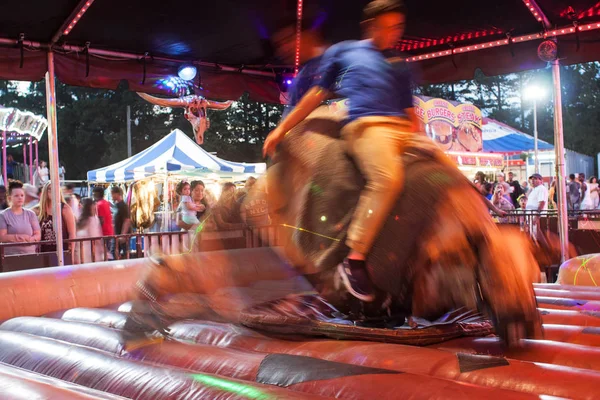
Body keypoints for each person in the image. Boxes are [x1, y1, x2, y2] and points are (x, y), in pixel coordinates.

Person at [263, 0, 426, 302]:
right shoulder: (345, 52)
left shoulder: (400, 63)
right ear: (370, 26)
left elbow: (409, 109)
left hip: (402, 128)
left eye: (398, 27)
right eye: (387, 26)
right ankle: (356, 258)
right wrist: (282, 129)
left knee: (440, 175)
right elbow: (316, 94)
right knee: (387, 180)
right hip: (368, 126)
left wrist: (424, 141)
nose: (394, 33)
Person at [0, 181, 41, 256]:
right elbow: (2, 237)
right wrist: (19, 237)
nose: (20, 198)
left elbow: (38, 234)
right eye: (16, 196)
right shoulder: (3, 215)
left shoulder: (31, 214)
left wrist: (31, 239)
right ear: (9, 198)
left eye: (22, 195)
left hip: (30, 255)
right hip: (10, 256)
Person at [35, 181, 76, 254]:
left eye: (55, 189)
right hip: (44, 252)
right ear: (45, 191)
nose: (52, 192)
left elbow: (72, 234)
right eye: (50, 189)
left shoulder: (65, 208)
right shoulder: (39, 210)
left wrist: (71, 253)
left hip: (62, 251)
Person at [75, 198, 103, 264]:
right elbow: (96, 237)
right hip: (92, 253)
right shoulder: (93, 220)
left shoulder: (80, 220)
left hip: (81, 254)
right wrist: (102, 250)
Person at [93, 186, 114, 259]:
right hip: (109, 232)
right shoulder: (106, 202)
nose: (93, 196)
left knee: (104, 255)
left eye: (94, 194)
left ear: (97, 194)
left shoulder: (99, 204)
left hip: (103, 233)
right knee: (106, 253)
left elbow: (101, 220)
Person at [111, 186, 131, 258]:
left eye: (112, 193)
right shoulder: (116, 205)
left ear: (117, 194)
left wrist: (123, 235)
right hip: (117, 234)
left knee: (123, 252)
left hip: (122, 235)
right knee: (115, 252)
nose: (111, 196)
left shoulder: (123, 206)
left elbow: (127, 220)